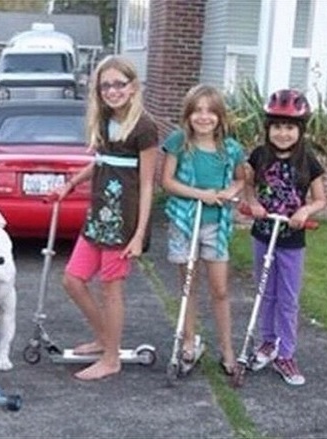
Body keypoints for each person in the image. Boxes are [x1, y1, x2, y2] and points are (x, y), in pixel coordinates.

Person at [55, 55, 159, 381]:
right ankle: (104, 339)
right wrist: (71, 183)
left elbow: (147, 184)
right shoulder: (103, 121)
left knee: (111, 290)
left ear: (133, 86)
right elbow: (101, 162)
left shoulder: (144, 127)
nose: (112, 91)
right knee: (72, 280)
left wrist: (139, 234)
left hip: (123, 223)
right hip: (98, 217)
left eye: (119, 84)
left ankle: (111, 359)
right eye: (105, 86)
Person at [161, 84, 246, 376]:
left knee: (220, 289)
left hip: (215, 225)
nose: (204, 116)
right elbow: (167, 182)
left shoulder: (230, 149)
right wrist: (200, 195)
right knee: (188, 285)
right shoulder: (178, 142)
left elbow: (240, 179)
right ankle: (188, 341)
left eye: (210, 111)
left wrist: (229, 191)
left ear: (220, 116)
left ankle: (227, 348)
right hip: (184, 222)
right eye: (197, 110)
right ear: (188, 115)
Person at [245, 89, 326, 386]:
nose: (283, 133)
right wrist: (253, 203)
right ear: (268, 128)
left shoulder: (309, 161)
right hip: (263, 234)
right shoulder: (259, 156)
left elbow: (320, 199)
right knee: (265, 292)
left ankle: (286, 354)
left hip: (291, 240)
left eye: (290, 127)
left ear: (300, 130)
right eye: (277, 126)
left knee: (288, 299)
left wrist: (305, 211)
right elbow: (248, 185)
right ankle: (267, 343)